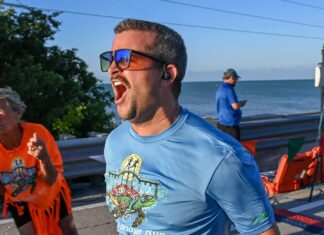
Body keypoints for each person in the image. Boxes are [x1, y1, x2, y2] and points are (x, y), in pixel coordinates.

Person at [101, 18, 279, 235]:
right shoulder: (115, 142)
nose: (111, 69)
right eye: (110, 59)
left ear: (167, 75)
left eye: (124, 58)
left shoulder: (221, 159)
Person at [0, 87, 78, 235]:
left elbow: (51, 179)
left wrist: (44, 158)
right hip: (20, 200)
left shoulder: (37, 134)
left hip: (50, 194)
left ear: (17, 114)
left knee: (68, 231)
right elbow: (2, 190)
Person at [215, 68, 246, 140]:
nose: (236, 81)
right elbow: (235, 106)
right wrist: (241, 103)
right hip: (230, 125)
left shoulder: (220, 88)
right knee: (235, 148)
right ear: (232, 77)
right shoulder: (229, 89)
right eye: (236, 79)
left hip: (221, 123)